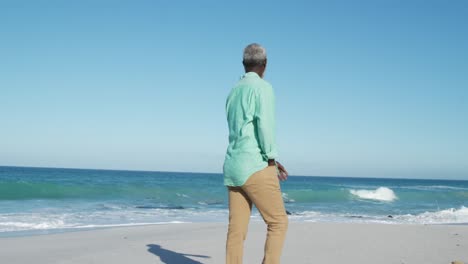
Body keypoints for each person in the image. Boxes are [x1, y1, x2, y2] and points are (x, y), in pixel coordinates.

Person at [223, 43, 289, 264]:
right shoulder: (263, 88)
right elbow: (265, 128)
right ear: (265, 65)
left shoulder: (233, 91)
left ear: (243, 64)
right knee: (278, 222)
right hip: (255, 165)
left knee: (236, 231)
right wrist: (271, 158)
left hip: (233, 166)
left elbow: (242, 131)